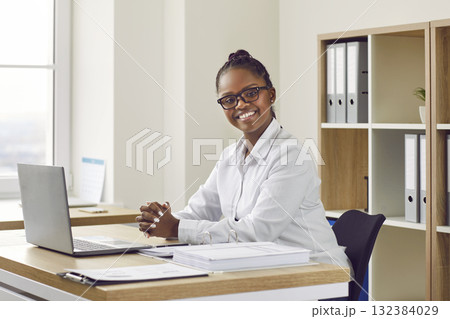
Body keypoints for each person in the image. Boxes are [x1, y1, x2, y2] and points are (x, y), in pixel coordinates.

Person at [136, 49, 352, 269]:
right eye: (229, 99)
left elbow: (259, 232)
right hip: (261, 267)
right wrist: (160, 220)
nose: (240, 104)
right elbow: (200, 211)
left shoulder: (291, 156)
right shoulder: (230, 156)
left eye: (251, 93)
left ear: (271, 94)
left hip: (316, 271)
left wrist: (175, 228)